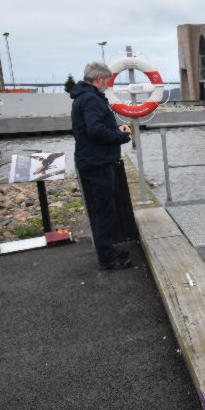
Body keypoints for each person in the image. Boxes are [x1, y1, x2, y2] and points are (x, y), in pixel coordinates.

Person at [70, 61, 132, 270]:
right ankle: (108, 258)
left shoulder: (84, 97)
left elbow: (95, 126)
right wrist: (121, 136)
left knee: (101, 209)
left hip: (91, 160)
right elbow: (95, 130)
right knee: (104, 210)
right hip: (97, 162)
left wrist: (116, 126)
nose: (107, 85)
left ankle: (107, 251)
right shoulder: (91, 99)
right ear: (98, 79)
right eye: (106, 81)